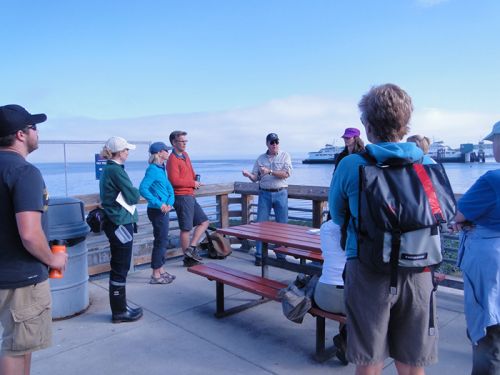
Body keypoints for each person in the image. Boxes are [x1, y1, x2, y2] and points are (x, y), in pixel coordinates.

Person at [329, 84, 437, 374]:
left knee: (369, 359)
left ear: (366, 124)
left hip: (367, 268)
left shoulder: (351, 165)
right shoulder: (427, 163)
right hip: (419, 269)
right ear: (406, 124)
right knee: (413, 363)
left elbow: (338, 216)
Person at [0, 104, 68, 375]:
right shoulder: (25, 172)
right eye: (34, 128)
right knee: (17, 347)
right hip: (21, 278)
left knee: (19, 343)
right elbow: (29, 233)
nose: (37, 133)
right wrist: (54, 258)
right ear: (20, 134)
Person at [450, 120, 500, 375]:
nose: (493, 147)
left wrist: (467, 220)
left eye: (494, 141)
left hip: (489, 264)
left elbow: (459, 214)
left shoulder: (493, 178)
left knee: (487, 330)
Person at [99, 136, 143, 323]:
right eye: (126, 150)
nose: (128, 152)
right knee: (121, 266)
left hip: (114, 222)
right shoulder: (116, 171)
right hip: (120, 223)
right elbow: (133, 196)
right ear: (118, 152)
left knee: (119, 265)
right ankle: (119, 312)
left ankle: (120, 307)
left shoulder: (108, 169)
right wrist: (134, 191)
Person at [242, 133, 293, 266]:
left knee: (282, 226)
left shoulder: (285, 155)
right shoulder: (260, 159)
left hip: (281, 193)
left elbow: (286, 174)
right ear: (267, 144)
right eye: (272, 142)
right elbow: (255, 178)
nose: (274, 144)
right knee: (261, 225)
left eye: (276, 141)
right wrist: (248, 174)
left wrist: (270, 171)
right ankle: (259, 255)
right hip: (264, 194)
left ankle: (281, 256)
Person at [166, 131, 209, 267]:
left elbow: (190, 172)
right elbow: (174, 180)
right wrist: (192, 183)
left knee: (204, 221)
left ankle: (191, 249)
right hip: (181, 196)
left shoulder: (185, 155)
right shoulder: (172, 159)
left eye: (186, 141)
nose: (184, 143)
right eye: (182, 141)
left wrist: (196, 179)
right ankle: (188, 259)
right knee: (186, 229)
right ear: (174, 143)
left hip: (190, 194)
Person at [139, 142, 176, 284]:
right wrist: (159, 203)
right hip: (156, 211)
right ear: (159, 153)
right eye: (166, 150)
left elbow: (169, 189)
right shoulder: (152, 170)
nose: (168, 152)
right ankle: (155, 275)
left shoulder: (161, 169)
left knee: (163, 241)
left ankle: (161, 270)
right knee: (160, 241)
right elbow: (143, 189)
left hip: (164, 210)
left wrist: (169, 203)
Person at [313, 220, 347, 364]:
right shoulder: (360, 226)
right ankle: (345, 341)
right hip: (350, 298)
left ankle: (345, 343)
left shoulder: (325, 228)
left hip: (324, 297)